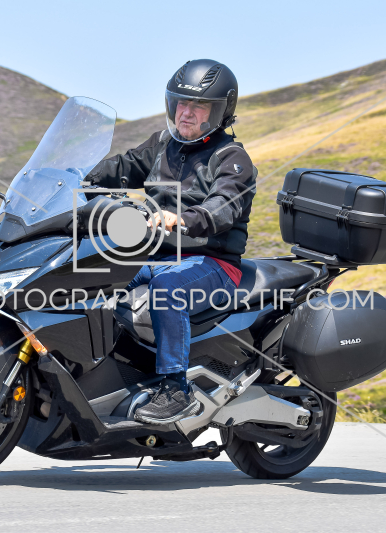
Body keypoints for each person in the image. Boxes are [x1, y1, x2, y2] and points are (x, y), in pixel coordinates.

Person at [85, 59, 257, 424]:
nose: (187, 113)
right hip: (156, 253)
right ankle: (104, 372)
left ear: (221, 111)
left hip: (212, 262)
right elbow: (122, 167)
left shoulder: (232, 158)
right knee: (95, 273)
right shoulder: (163, 145)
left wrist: (184, 218)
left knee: (166, 289)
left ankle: (176, 390)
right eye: (181, 103)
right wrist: (78, 178)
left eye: (199, 106)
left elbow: (224, 207)